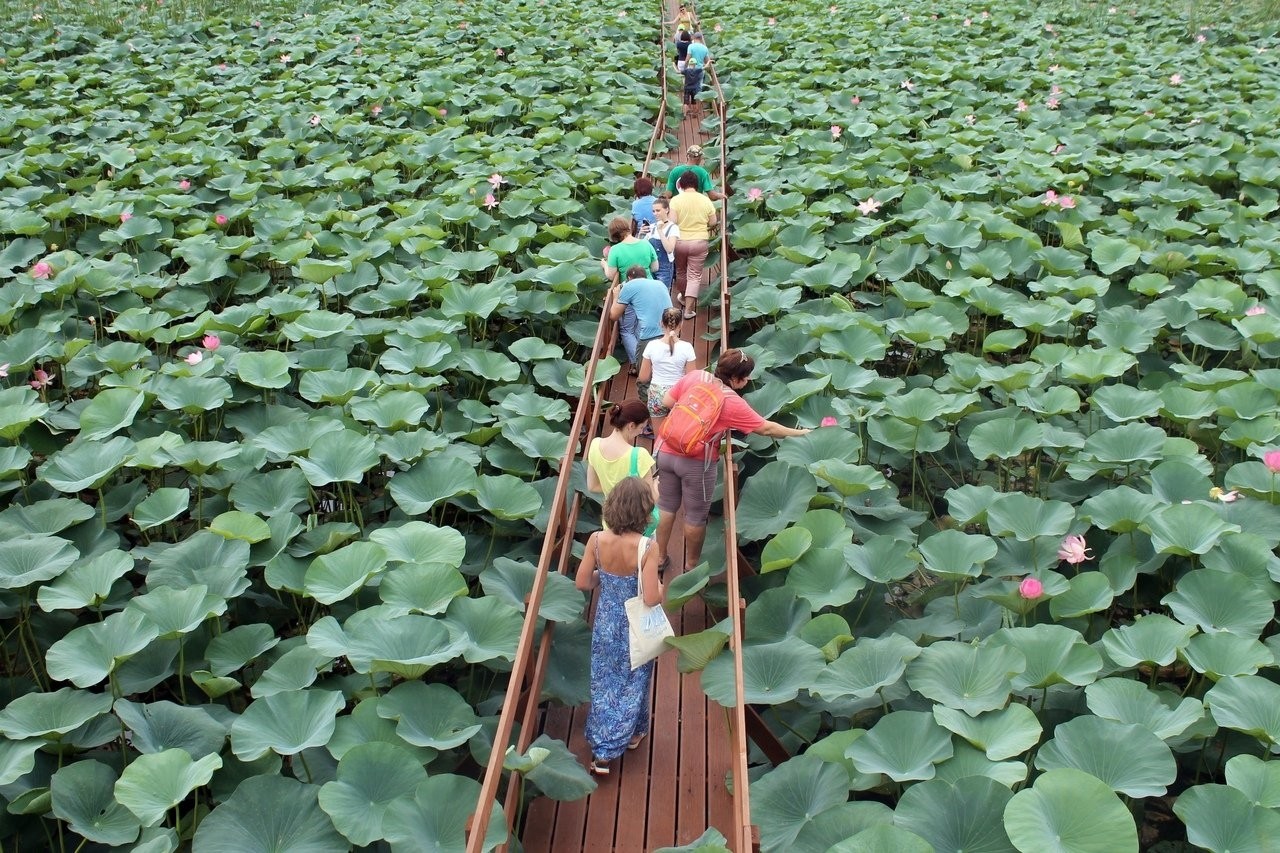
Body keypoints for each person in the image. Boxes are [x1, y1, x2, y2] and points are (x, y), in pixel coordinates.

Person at [656, 349, 811, 574]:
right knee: (695, 517)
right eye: (745, 377)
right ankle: (691, 566)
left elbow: (666, 400)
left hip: (666, 449)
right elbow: (766, 428)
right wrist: (800, 433)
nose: (748, 381)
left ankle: (659, 557)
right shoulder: (731, 402)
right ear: (735, 378)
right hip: (696, 462)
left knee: (666, 506)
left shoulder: (696, 376)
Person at [576, 476, 664, 776]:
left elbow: (583, 582)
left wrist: (607, 578)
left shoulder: (596, 541)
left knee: (605, 684)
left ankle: (635, 730)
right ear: (644, 511)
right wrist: (662, 587)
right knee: (633, 683)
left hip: (605, 623)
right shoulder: (647, 547)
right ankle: (605, 751)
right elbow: (652, 597)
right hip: (635, 626)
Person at [586, 399, 661, 540]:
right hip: (638, 527)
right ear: (631, 425)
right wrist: (656, 486)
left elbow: (592, 486)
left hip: (611, 524)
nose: (641, 432)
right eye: (641, 428)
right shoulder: (638, 455)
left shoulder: (595, 445)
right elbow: (651, 500)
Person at [639, 308, 697, 436]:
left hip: (657, 394)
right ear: (681, 324)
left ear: (661, 323)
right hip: (678, 394)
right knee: (679, 435)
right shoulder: (687, 347)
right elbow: (692, 378)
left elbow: (643, 378)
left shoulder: (651, 346)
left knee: (659, 437)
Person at [610, 266, 673, 383]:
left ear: (629, 278)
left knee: (644, 378)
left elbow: (614, 315)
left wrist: (615, 296)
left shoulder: (629, 286)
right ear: (645, 276)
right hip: (670, 331)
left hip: (650, 334)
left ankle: (646, 398)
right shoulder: (660, 284)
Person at [669, 171, 718, 319]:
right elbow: (713, 222)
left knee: (681, 271)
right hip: (699, 241)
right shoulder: (705, 200)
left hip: (680, 241)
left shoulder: (676, 201)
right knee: (695, 276)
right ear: (697, 185)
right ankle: (689, 311)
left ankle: (683, 297)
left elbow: (672, 221)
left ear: (681, 185)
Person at [604, 216, 658, 287]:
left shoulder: (615, 250)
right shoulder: (646, 243)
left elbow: (611, 276)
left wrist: (604, 264)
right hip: (649, 285)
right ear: (628, 228)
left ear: (613, 235)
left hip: (629, 288)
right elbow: (655, 268)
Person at [649, 197, 680, 290]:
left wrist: (660, 231)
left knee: (662, 293)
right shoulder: (651, 226)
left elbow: (670, 249)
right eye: (653, 211)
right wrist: (641, 234)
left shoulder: (673, 228)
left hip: (664, 268)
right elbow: (643, 247)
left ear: (667, 210)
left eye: (658, 210)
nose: (655, 213)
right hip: (650, 266)